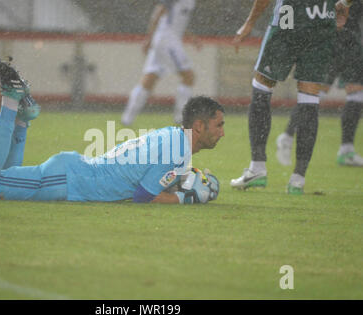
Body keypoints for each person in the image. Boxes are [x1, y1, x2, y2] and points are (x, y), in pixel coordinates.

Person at [0, 58, 223, 204]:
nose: (222, 133)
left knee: (2, 177)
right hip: (70, 180)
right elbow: (143, 196)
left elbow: (148, 176)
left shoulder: (172, 136)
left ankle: (22, 120)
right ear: (199, 126)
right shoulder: (178, 151)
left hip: (72, 173)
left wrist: (183, 182)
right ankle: (11, 102)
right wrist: (187, 197)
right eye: (219, 125)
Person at [230, 0, 352, 195]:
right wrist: (345, 3)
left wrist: (250, 22)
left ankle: (257, 168)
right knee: (309, 97)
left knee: (262, 86)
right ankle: (298, 180)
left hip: (289, 19)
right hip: (321, 22)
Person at [276, 0, 363, 167]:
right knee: (314, 92)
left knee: (356, 91)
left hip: (350, 37)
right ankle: (287, 136)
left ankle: (346, 149)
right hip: (332, 36)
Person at [121, 0, 202, 126]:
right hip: (167, 41)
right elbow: (159, 12)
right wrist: (149, 38)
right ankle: (181, 118)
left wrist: (192, 38)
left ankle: (127, 119)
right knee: (189, 76)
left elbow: (178, 22)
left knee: (149, 80)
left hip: (164, 40)